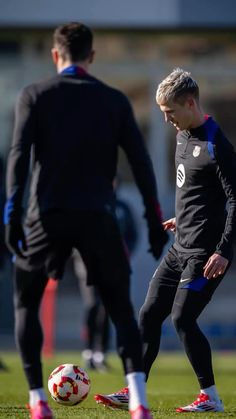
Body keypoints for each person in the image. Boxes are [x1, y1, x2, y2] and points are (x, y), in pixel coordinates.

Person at [4, 22, 168, 419]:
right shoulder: (113, 101)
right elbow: (141, 163)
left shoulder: (35, 95)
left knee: (25, 303)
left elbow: (18, 155)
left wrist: (12, 214)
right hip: (98, 215)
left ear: (55, 55)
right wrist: (152, 219)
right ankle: (139, 403)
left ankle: (38, 401)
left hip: (47, 216)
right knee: (121, 309)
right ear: (92, 57)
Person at [95, 68, 236, 413]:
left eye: (170, 111)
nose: (167, 119)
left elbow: (234, 200)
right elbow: (197, 191)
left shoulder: (217, 144)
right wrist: (182, 218)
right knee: (147, 315)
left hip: (205, 254)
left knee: (182, 319)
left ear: (190, 103)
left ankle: (211, 398)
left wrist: (223, 251)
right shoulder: (182, 135)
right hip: (180, 246)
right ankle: (134, 390)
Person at [74, 181, 139, 372]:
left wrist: (126, 252)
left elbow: (133, 234)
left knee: (107, 307)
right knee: (92, 305)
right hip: (86, 263)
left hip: (112, 264)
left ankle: (101, 353)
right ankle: (88, 351)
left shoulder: (122, 208)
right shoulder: (86, 203)